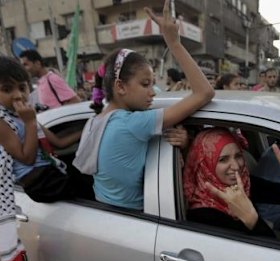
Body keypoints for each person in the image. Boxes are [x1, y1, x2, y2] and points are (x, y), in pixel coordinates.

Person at [78, 0, 215, 211]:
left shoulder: (98, 120)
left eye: (153, 84)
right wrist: (174, 43)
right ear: (120, 86)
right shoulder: (131, 123)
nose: (152, 92)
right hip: (134, 221)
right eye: (145, 84)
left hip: (106, 214)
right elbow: (205, 92)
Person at [0, 56, 90, 203]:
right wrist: (30, 122)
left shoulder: (20, 115)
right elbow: (27, 158)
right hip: (40, 184)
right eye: (7, 89)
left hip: (52, 173)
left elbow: (59, 143)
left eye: (22, 88)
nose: (18, 95)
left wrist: (89, 128)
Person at [183, 128, 280, 236]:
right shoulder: (201, 217)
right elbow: (267, 253)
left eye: (238, 156)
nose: (236, 166)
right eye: (223, 160)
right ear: (205, 165)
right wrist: (252, 220)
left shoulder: (242, 184)